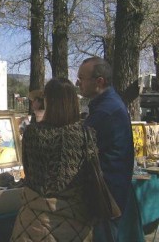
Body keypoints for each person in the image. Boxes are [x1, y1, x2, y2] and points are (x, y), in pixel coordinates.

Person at [11, 78, 97, 241]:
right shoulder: (86, 135)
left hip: (33, 222)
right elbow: (89, 177)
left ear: (48, 101)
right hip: (75, 223)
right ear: (73, 102)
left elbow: (27, 169)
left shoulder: (32, 133)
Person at [77, 57, 134, 241]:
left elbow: (78, 147)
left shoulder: (106, 111)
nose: (78, 83)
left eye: (82, 78)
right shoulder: (107, 104)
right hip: (110, 191)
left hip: (104, 196)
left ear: (99, 81)